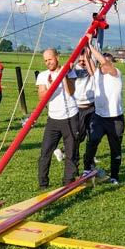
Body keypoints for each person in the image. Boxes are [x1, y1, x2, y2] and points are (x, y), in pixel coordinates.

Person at [82, 41, 125, 184]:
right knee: (92, 141)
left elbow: (104, 63)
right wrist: (87, 50)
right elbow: (89, 62)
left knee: (115, 149)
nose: (103, 66)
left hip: (115, 119)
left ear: (111, 64)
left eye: (106, 63)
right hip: (99, 117)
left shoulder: (116, 74)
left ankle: (114, 176)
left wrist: (91, 46)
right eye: (101, 65)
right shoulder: (97, 74)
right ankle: (87, 168)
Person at [35, 48, 79, 188]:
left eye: (50, 59)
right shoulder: (43, 76)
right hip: (53, 119)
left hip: (70, 116)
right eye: (45, 60)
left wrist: (63, 75)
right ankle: (43, 183)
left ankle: (68, 182)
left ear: (57, 57)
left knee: (71, 151)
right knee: (45, 152)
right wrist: (51, 85)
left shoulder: (69, 71)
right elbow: (42, 98)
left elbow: (71, 91)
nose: (48, 62)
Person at [72, 48, 96, 164]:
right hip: (78, 107)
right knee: (78, 136)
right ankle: (74, 160)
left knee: (92, 136)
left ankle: (90, 162)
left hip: (91, 107)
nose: (82, 63)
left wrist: (88, 50)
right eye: (80, 61)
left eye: (84, 61)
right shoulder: (74, 70)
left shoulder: (92, 68)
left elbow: (93, 69)